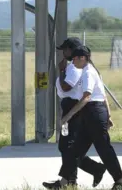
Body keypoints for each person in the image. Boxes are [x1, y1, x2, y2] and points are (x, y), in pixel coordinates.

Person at [59, 46, 122, 190]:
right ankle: (64, 183)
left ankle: (120, 182)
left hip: (94, 113)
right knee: (74, 151)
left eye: (74, 60)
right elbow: (102, 95)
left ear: (82, 58)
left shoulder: (88, 73)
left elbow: (87, 97)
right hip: (92, 113)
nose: (73, 63)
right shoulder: (90, 71)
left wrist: (68, 116)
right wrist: (107, 115)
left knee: (104, 149)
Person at [43, 37, 105, 189]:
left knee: (67, 146)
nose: (63, 52)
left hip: (72, 106)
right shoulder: (74, 66)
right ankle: (74, 177)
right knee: (67, 146)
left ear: (71, 50)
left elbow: (66, 87)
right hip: (70, 105)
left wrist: (62, 70)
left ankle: (71, 180)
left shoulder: (73, 68)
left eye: (65, 49)